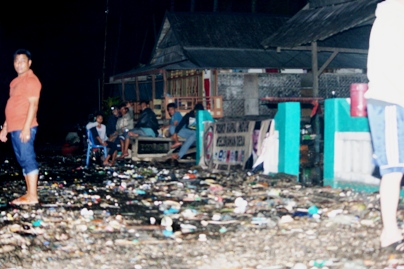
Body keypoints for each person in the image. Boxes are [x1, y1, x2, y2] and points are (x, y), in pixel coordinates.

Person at [365, 0, 404, 251]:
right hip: (390, 100)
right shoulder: (392, 16)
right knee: (394, 168)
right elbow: (393, 68)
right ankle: (389, 233)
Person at [0, 49, 41, 205]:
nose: (19, 64)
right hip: (14, 126)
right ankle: (29, 193)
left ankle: (33, 196)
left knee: (27, 158)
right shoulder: (15, 82)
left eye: (23, 61)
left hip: (25, 125)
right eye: (16, 61)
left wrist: (26, 127)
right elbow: (11, 105)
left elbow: (33, 105)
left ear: (29, 63)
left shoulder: (32, 80)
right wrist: (5, 127)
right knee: (22, 160)